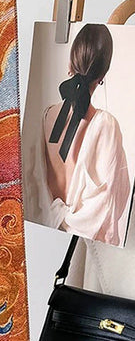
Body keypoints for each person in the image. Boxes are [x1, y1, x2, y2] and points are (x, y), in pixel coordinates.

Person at [38, 23, 130, 245]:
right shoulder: (106, 126)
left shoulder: (47, 116)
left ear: (71, 63)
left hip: (43, 234)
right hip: (83, 246)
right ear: (103, 74)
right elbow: (113, 201)